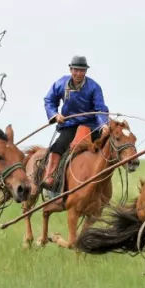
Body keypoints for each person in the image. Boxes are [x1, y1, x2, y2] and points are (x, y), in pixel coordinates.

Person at [41, 55, 110, 190]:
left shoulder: (94, 87)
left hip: (91, 125)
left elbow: (100, 109)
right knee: (58, 146)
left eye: (82, 70)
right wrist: (55, 115)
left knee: (106, 146)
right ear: (71, 69)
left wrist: (103, 124)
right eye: (76, 70)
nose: (78, 73)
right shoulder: (61, 83)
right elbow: (49, 100)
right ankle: (50, 176)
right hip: (69, 124)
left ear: (86, 71)